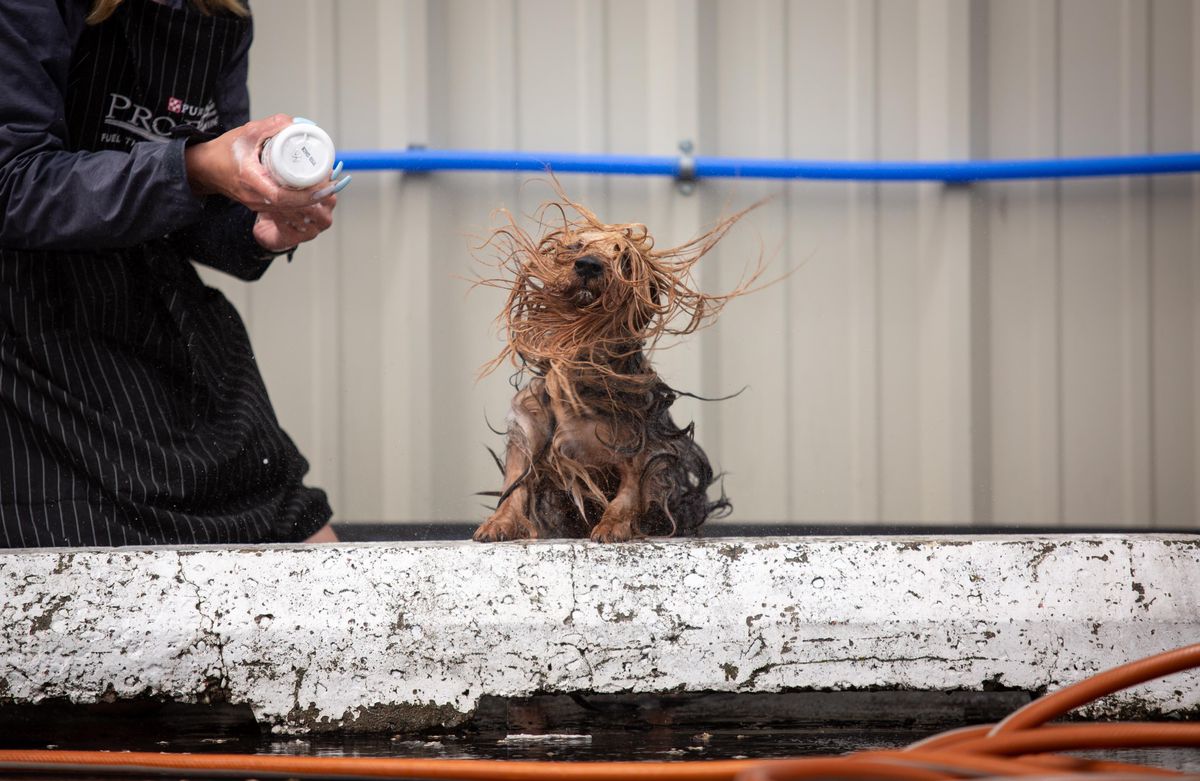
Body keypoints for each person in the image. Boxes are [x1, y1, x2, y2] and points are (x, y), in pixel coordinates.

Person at [0, 0, 348, 546]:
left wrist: (255, 226)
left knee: (298, 527)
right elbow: (13, 186)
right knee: (97, 562)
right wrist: (193, 166)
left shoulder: (222, 14)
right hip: (28, 339)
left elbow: (198, 210)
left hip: (154, 318)